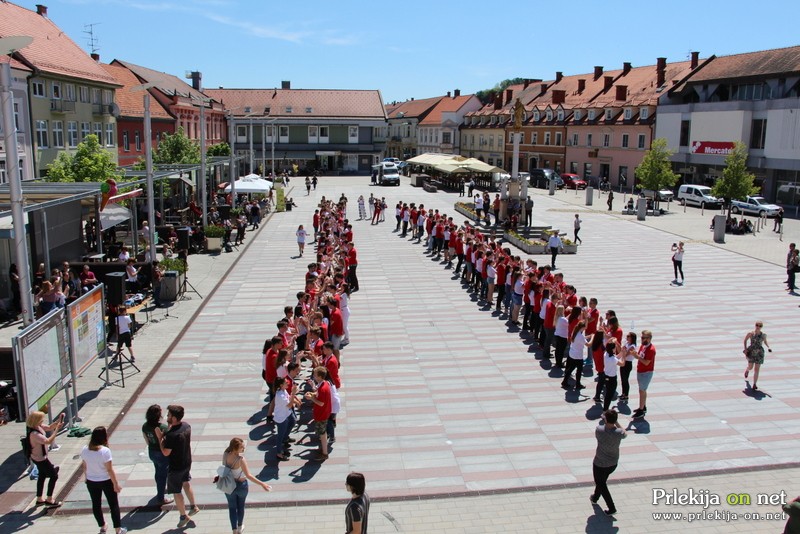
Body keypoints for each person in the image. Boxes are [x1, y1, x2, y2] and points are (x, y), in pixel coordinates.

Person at [154, 405, 200, 528]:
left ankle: (183, 516)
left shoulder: (171, 436)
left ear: (174, 418)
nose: (167, 417)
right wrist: (167, 432)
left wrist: (160, 438)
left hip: (176, 466)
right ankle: (193, 506)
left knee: (176, 491)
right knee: (186, 482)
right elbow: (174, 433)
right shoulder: (186, 426)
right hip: (186, 461)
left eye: (169, 415)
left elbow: (165, 452)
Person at [81, 426, 127, 534]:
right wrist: (115, 483)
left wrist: (86, 477)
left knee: (96, 504)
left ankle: (102, 526)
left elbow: (84, 466)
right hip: (106, 481)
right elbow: (110, 470)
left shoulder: (84, 449)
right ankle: (118, 529)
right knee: (113, 504)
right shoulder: (105, 451)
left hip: (91, 481)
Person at [220, 437, 271, 534]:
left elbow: (224, 467)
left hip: (228, 484)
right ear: (236, 448)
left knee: (232, 507)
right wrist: (262, 484)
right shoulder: (240, 459)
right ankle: (240, 526)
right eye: (242, 447)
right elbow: (248, 475)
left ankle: (234, 530)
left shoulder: (225, 454)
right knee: (241, 506)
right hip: (241, 485)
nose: (243, 449)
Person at [590, 410, 626, 516]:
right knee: (601, 481)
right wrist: (617, 423)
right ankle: (595, 497)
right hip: (613, 463)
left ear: (605, 419)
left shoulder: (599, 430)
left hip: (599, 463)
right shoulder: (619, 433)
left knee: (601, 483)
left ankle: (611, 507)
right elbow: (625, 433)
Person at [26, 410, 64, 507]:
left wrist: (58, 421)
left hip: (37, 457)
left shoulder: (37, 426)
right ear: (36, 420)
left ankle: (39, 498)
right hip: (40, 459)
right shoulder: (34, 434)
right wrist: (56, 430)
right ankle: (49, 499)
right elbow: (48, 441)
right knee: (54, 476)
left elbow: (49, 427)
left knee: (42, 476)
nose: (43, 421)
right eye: (41, 420)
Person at [142, 405, 173, 506]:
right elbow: (167, 440)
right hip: (161, 453)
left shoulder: (145, 426)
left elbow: (147, 440)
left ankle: (160, 489)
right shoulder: (162, 427)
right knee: (162, 475)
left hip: (152, 452)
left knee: (157, 471)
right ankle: (161, 497)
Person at [305, 366, 331, 461]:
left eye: (315, 375)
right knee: (322, 433)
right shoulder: (323, 384)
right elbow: (318, 393)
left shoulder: (323, 388)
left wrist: (312, 398)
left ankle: (324, 452)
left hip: (321, 414)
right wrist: (313, 393)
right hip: (323, 413)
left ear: (320, 376)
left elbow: (321, 403)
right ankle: (323, 449)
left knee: (322, 434)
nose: (314, 376)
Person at [273, 377, 300, 461]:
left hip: (286, 413)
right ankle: (279, 453)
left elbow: (289, 398)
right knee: (280, 436)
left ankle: (285, 438)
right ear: (281, 385)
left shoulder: (283, 391)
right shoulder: (280, 395)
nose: (287, 383)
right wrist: (293, 393)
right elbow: (289, 405)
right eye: (285, 383)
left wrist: (297, 401)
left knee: (292, 421)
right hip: (281, 417)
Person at [633, 330, 656, 418]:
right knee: (641, 390)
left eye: (644, 338)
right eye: (642, 337)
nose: (642, 339)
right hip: (641, 371)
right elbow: (639, 355)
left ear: (649, 339)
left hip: (646, 372)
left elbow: (647, 362)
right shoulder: (643, 346)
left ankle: (641, 410)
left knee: (642, 390)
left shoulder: (651, 349)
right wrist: (635, 354)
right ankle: (643, 406)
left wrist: (637, 357)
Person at [743, 321, 771, 391]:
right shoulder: (751, 333)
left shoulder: (763, 335)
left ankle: (754, 384)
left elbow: (765, 341)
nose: (758, 327)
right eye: (757, 325)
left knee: (757, 369)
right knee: (750, 367)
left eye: (760, 326)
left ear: (761, 327)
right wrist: (745, 349)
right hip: (751, 352)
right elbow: (745, 340)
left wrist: (768, 347)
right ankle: (747, 370)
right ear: (755, 325)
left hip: (759, 353)